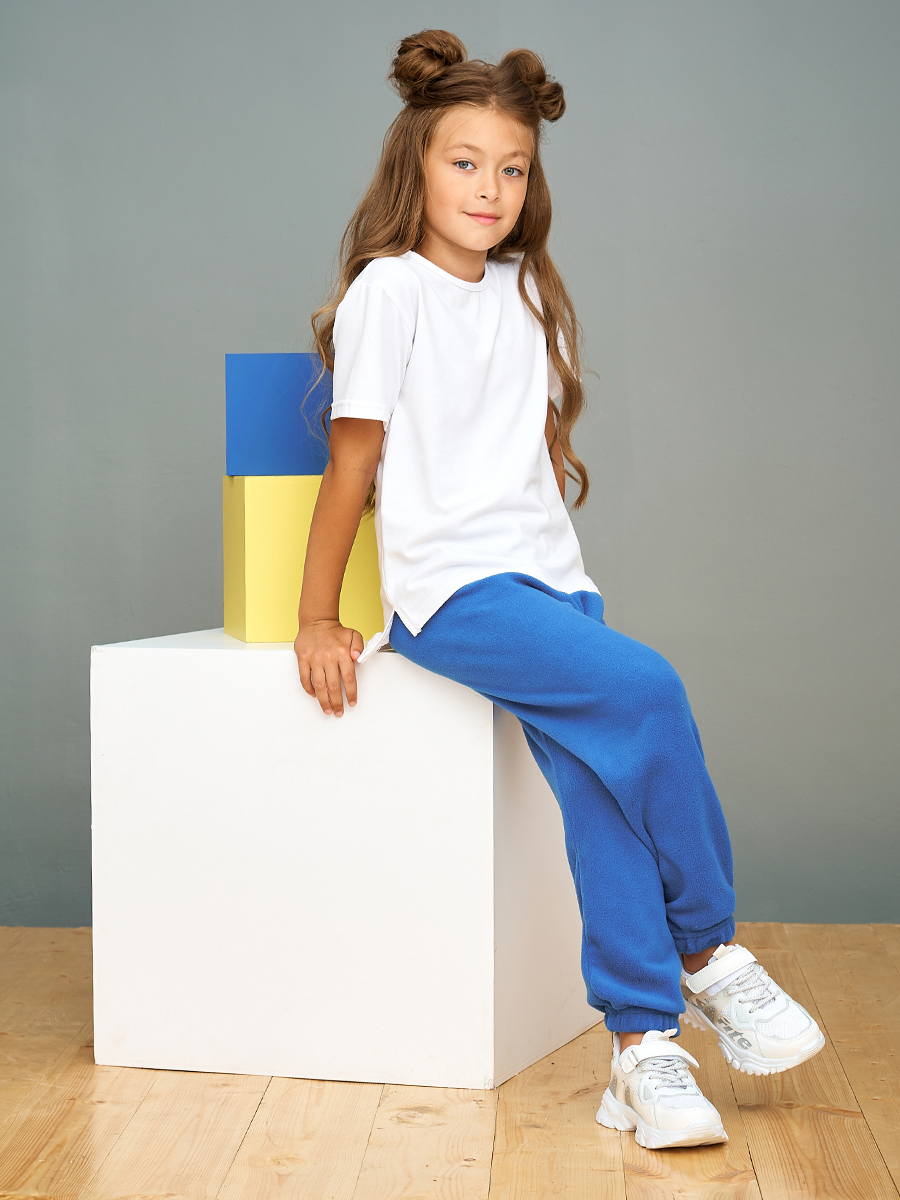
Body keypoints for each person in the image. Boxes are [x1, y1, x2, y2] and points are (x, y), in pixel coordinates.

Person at [292, 28, 824, 1151]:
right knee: (653, 690)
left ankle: (641, 1053)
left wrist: (555, 575)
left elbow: (518, 462)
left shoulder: (529, 288)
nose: (489, 187)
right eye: (465, 162)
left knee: (601, 800)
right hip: (456, 595)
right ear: (415, 164)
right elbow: (353, 460)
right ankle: (709, 950)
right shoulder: (391, 291)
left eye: (512, 167)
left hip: (551, 584)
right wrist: (317, 616)